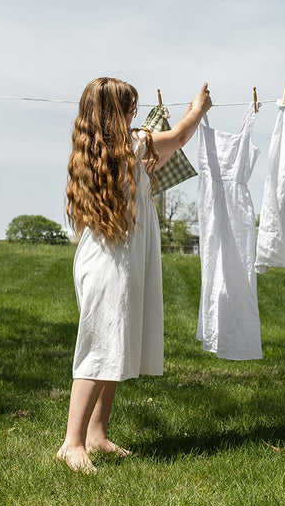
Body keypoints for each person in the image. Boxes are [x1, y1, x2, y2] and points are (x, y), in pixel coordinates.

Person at [56, 77, 212, 474]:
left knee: (114, 343)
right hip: (111, 263)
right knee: (99, 346)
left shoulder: (98, 150)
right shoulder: (134, 144)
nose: (134, 115)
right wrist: (198, 108)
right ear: (115, 112)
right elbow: (179, 137)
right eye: (129, 108)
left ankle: (97, 434)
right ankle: (72, 443)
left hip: (110, 257)